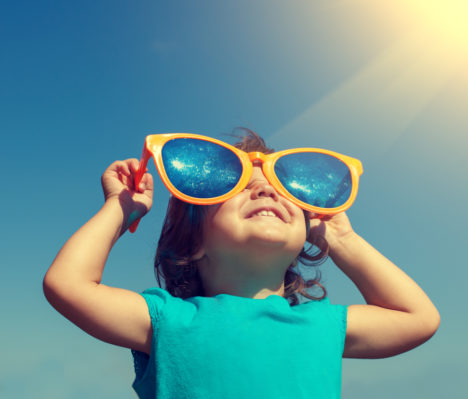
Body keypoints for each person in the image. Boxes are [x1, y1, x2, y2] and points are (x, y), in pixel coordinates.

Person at [43, 127, 440, 398]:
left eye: (283, 189)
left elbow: (417, 318)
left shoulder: (322, 324)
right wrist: (121, 206)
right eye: (241, 188)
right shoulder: (170, 319)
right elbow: (69, 285)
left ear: (307, 233)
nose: (265, 188)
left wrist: (343, 240)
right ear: (193, 242)